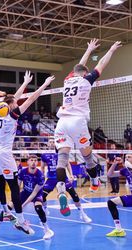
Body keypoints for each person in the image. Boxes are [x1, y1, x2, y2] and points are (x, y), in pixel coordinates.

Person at [54, 39, 122, 216]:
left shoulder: (67, 81)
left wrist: (89, 49)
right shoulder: (86, 80)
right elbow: (101, 64)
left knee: (62, 158)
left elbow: (80, 66)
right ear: (84, 73)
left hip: (61, 123)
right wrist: (112, 50)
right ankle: (93, 179)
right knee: (87, 156)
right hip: (78, 122)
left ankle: (61, 190)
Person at [0, 70, 55, 235]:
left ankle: (5, 210)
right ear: (11, 106)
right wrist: (45, 84)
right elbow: (31, 98)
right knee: (14, 188)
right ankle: (20, 220)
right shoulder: (13, 115)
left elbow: (13, 99)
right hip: (4, 154)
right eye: (15, 103)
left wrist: (25, 83)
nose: (17, 104)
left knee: (0, 183)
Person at [0, 155, 54, 240]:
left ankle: (47, 230)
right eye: (31, 160)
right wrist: (15, 200)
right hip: (25, 192)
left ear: (37, 163)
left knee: (38, 208)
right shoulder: (23, 172)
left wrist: (22, 206)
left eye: (35, 160)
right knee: (7, 208)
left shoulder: (40, 175)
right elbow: (17, 187)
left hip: (36, 194)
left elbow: (34, 194)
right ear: (27, 162)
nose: (33, 162)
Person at [41, 139, 92, 222]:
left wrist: (71, 175)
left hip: (62, 177)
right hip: (51, 179)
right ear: (47, 144)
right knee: (42, 196)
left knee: (74, 195)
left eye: (52, 141)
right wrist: (42, 178)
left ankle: (82, 214)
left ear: (55, 143)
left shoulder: (61, 153)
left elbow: (68, 164)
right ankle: (45, 209)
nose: (51, 143)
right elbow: (42, 167)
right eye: (49, 142)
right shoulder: (44, 155)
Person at [106, 154, 132, 237]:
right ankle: (119, 229)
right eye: (126, 157)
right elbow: (110, 175)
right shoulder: (125, 170)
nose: (127, 158)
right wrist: (114, 164)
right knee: (111, 203)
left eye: (130, 157)